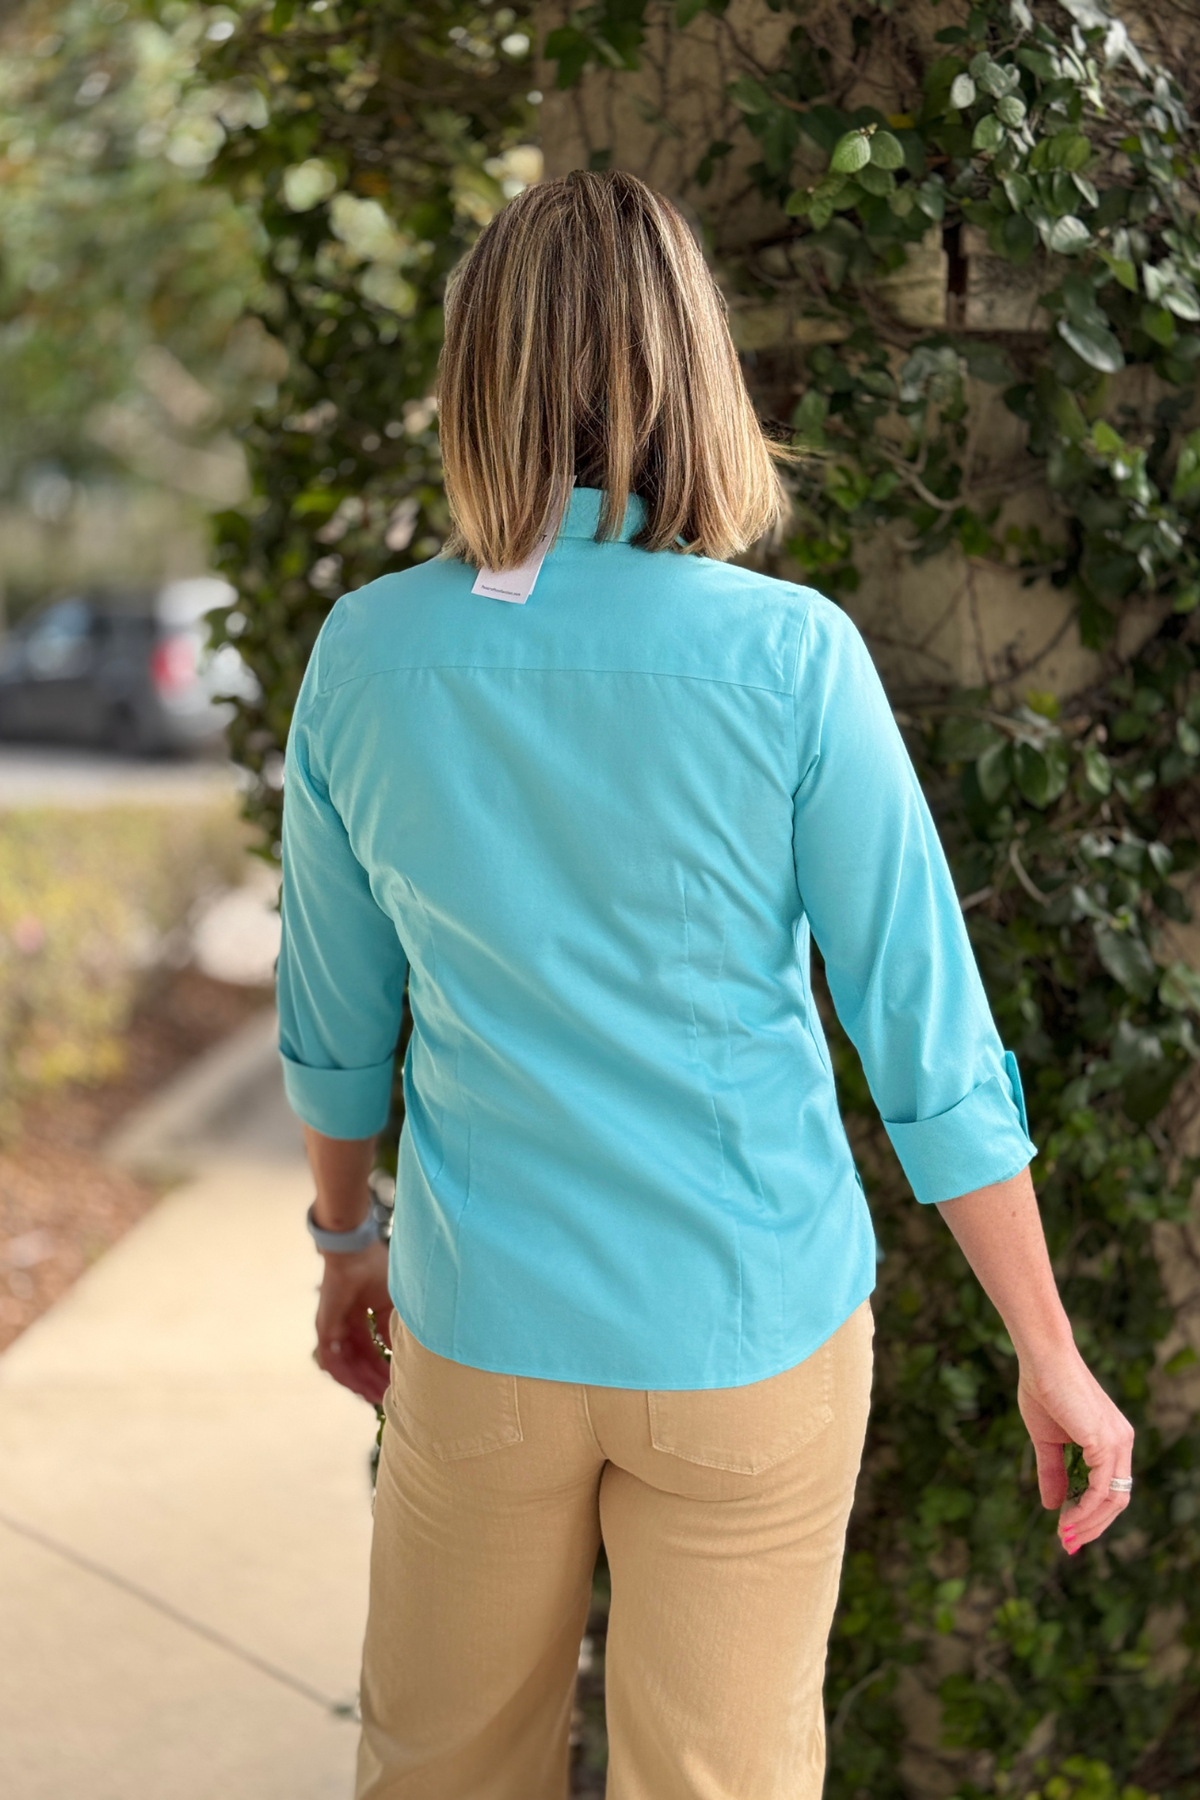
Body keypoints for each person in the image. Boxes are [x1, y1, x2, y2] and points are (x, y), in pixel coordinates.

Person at [276, 168, 1134, 1800]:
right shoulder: (792, 656)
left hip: (483, 1336)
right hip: (748, 1342)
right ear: (696, 374)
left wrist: (343, 1241)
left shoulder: (368, 655)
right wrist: (1049, 1347)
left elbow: (336, 1017)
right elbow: (927, 1041)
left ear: (481, 380)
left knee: (441, 1772)